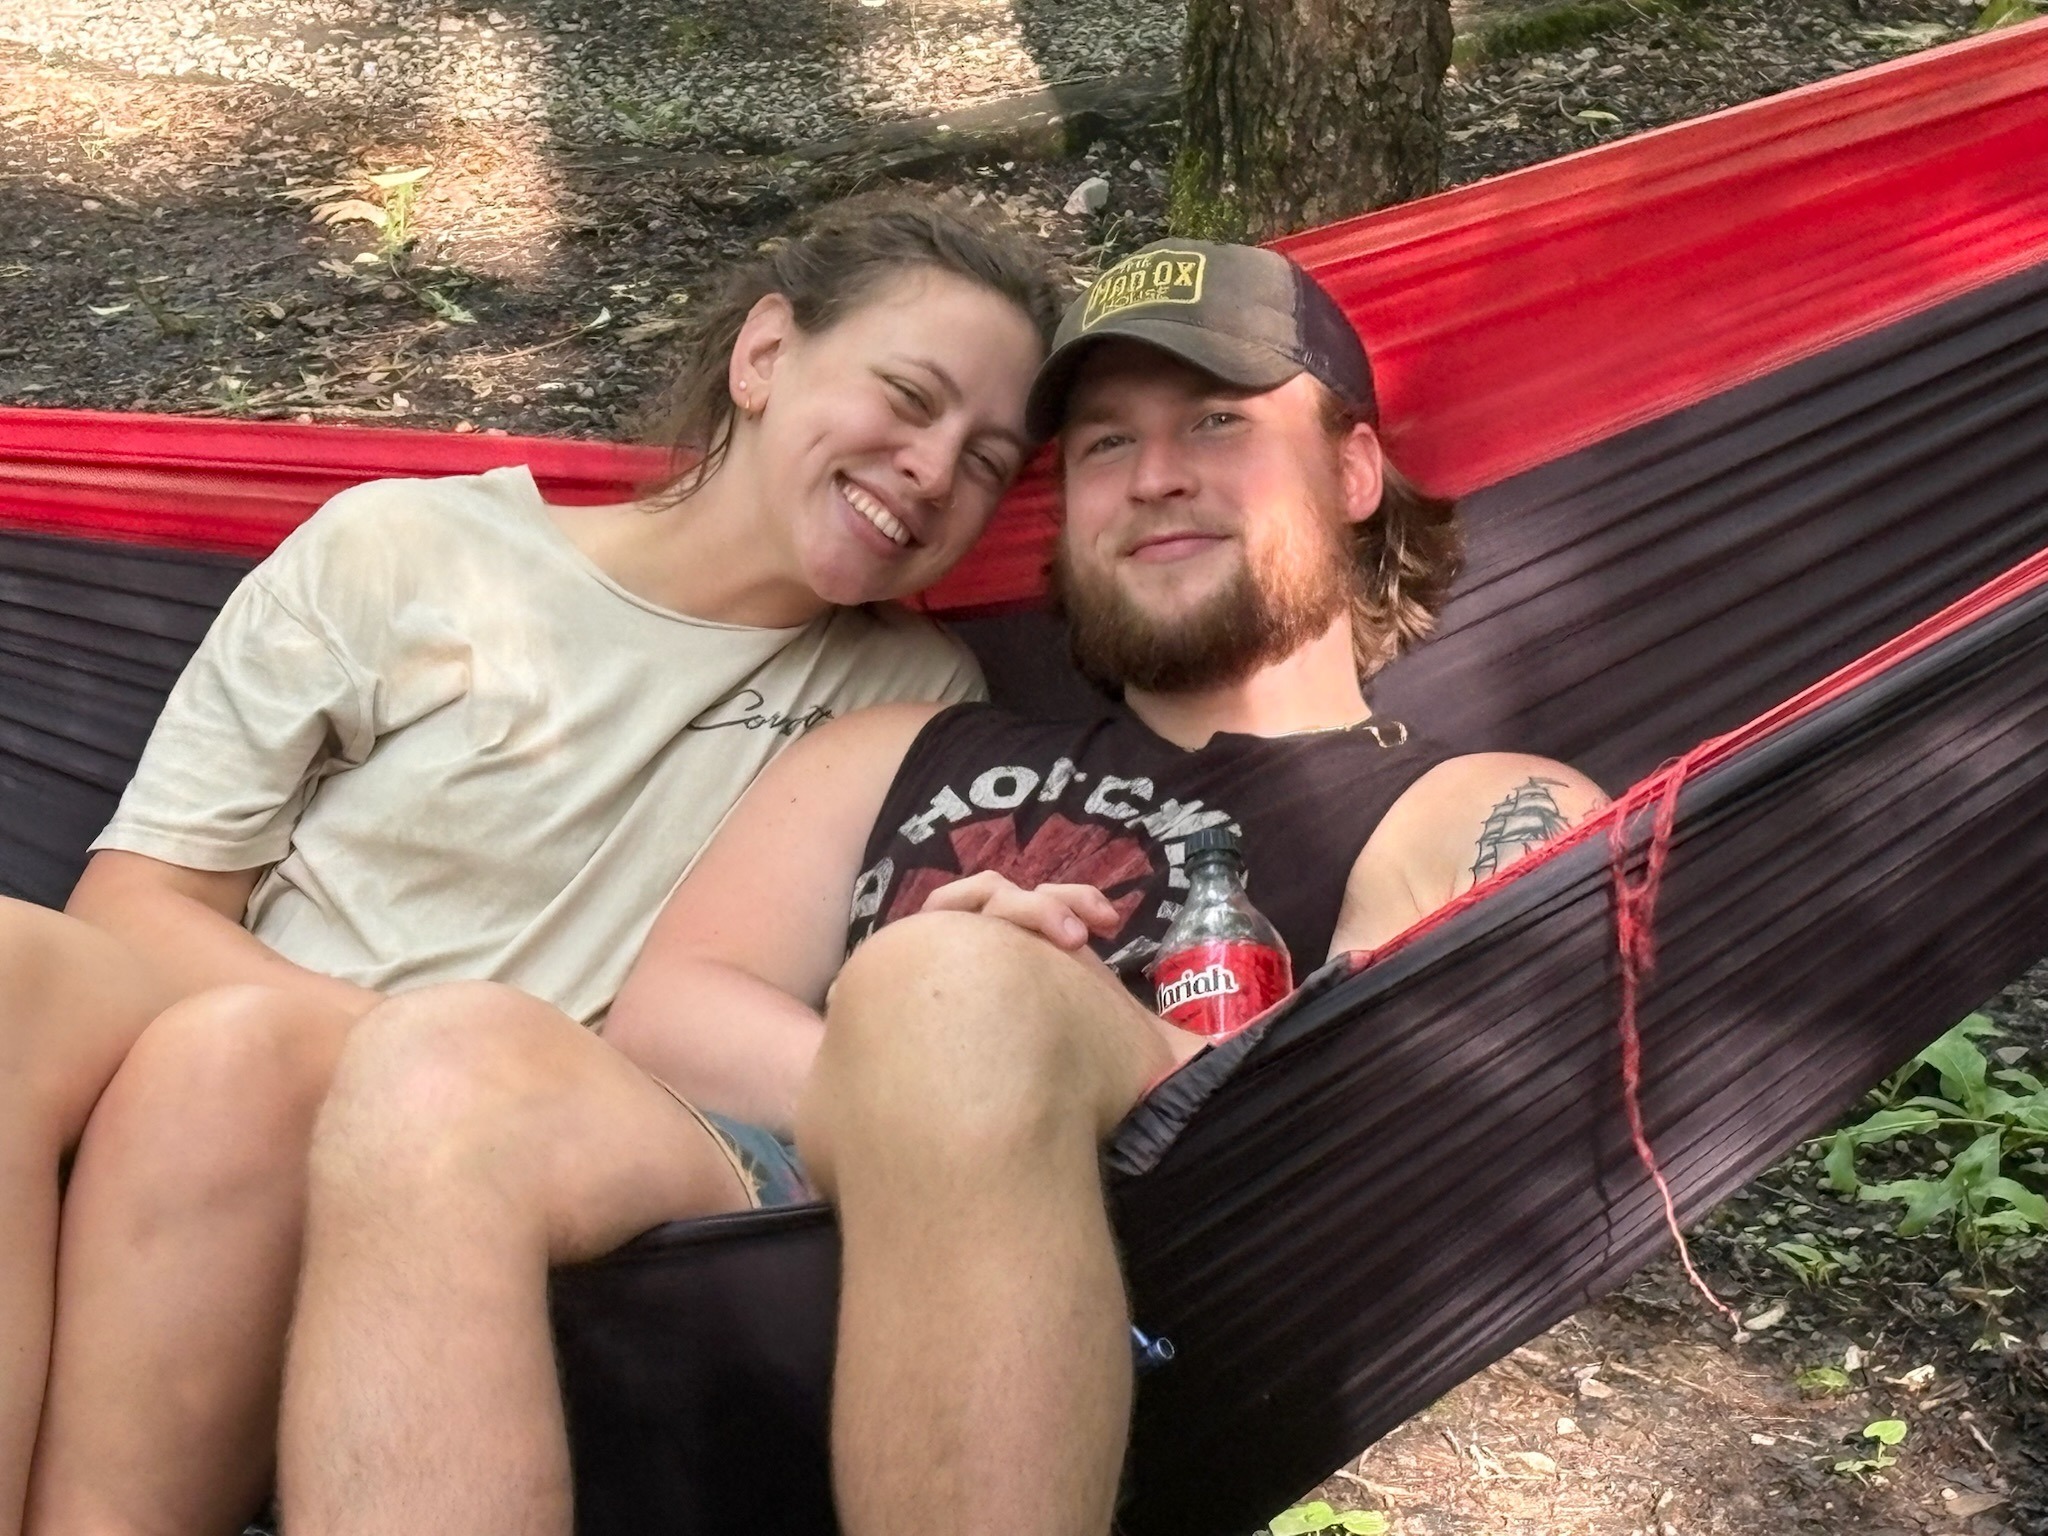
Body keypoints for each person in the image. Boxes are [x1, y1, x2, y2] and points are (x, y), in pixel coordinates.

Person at [274, 240, 1610, 1536]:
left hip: (1161, 1280)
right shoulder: (906, 737)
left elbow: (1407, 1142)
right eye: (1101, 444)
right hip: (763, 1218)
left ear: (1356, 467)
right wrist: (917, 1086)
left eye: (1215, 423)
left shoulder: (1469, 806)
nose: (1151, 477)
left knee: (948, 985)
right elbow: (672, 1012)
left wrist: (994, 1022)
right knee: (431, 1063)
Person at [0, 195, 1062, 1536]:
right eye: (906, 398)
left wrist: (355, 1059)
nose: (929, 467)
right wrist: (349, 1036)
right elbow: (138, 905)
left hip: (526, 1120)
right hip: (221, 1042)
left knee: (236, 1068)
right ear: (766, 355)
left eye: (986, 462)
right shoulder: (406, 549)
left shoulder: (907, 697)